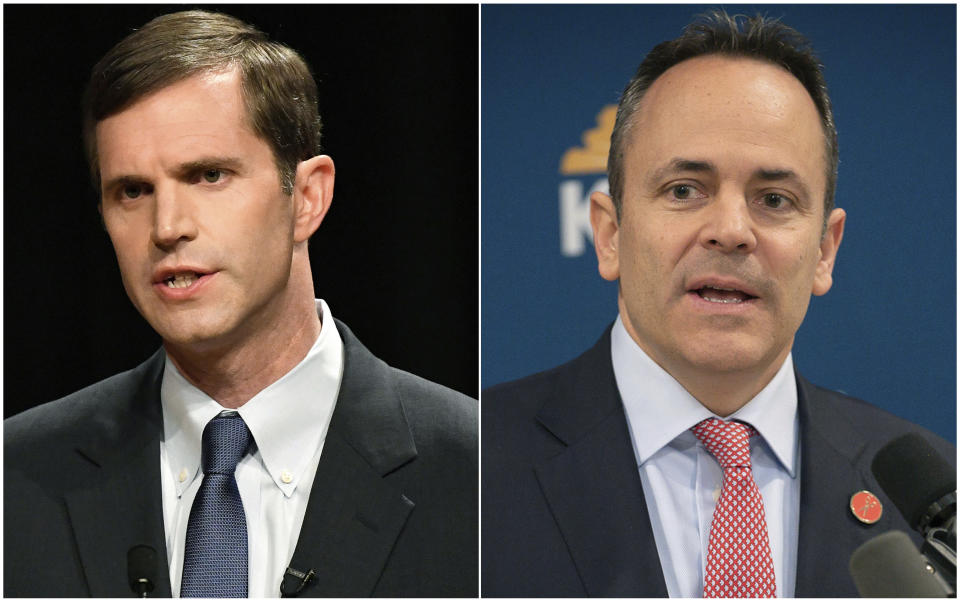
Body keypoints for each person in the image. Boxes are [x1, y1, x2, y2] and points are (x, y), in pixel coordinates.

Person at [481, 11, 955, 597]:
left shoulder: (933, 506)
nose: (731, 230)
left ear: (825, 251)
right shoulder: (471, 465)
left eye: (774, 199)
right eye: (684, 190)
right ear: (609, 234)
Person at [5, 10, 477, 598]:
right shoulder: (16, 479)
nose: (167, 227)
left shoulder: (481, 475)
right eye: (132, 191)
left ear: (306, 197)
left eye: (207, 175)